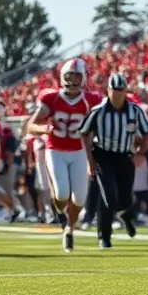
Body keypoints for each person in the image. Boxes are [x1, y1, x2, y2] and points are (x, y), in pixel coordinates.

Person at [25, 58, 101, 252]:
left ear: (83, 77)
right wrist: (45, 128)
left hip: (78, 152)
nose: (73, 80)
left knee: (80, 199)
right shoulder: (51, 98)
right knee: (61, 194)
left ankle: (69, 229)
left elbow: (97, 125)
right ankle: (59, 210)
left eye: (77, 76)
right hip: (55, 149)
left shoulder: (91, 99)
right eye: (69, 76)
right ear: (62, 77)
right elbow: (31, 125)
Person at [81, 73, 148, 248]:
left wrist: (141, 153)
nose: (118, 94)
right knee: (108, 198)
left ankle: (126, 214)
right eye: (115, 90)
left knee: (125, 199)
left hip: (124, 157)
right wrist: (89, 161)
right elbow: (85, 134)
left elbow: (147, 133)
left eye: (121, 90)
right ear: (108, 91)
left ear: (126, 91)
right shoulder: (98, 111)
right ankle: (104, 237)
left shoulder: (134, 111)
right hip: (103, 156)